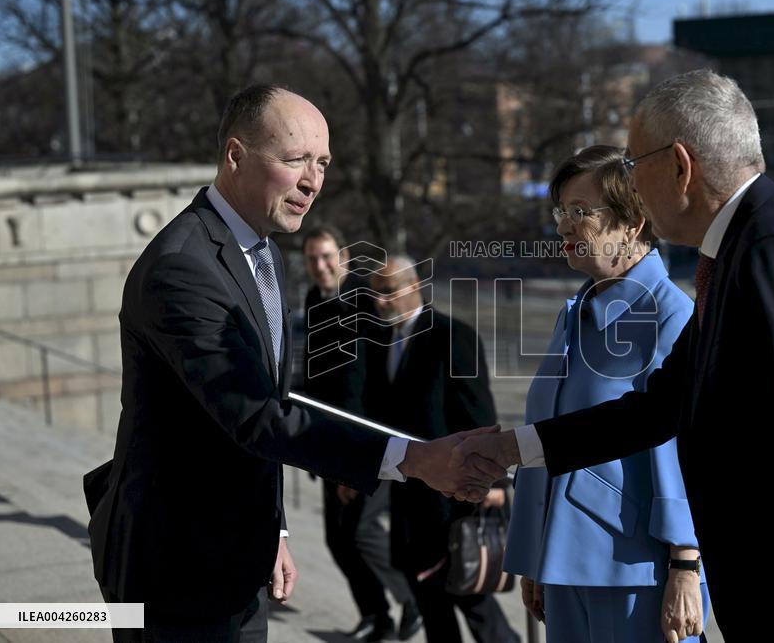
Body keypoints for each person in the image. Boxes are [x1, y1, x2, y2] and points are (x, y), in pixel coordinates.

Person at [450, 69, 774, 641]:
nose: (633, 186)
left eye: (636, 167)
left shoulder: (772, 254)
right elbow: (660, 406)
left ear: (681, 166)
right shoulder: (747, 248)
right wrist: (511, 449)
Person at [82, 84, 503, 642]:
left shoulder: (266, 255)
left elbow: (271, 406)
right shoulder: (180, 269)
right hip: (175, 568)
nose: (313, 180)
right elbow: (258, 414)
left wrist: (274, 528)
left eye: (322, 162)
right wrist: (416, 459)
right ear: (235, 156)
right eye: (295, 159)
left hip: (239, 555)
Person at [504, 145, 708, 643]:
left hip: (638, 569)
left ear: (632, 221)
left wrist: (685, 563)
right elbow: (552, 434)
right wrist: (537, 553)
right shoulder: (575, 312)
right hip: (568, 563)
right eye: (561, 213)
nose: (563, 228)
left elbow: (680, 449)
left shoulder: (671, 314)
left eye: (581, 212)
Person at [363, 256, 520, 643]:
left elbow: (478, 413)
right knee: (431, 604)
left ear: (414, 286)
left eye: (388, 291)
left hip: (455, 500)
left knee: (475, 601)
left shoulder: (453, 336)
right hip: (410, 499)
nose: (380, 301)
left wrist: (494, 481)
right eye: (375, 293)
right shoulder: (383, 342)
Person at [302, 226, 422, 641]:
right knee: (338, 539)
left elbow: (357, 386)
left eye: (328, 257)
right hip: (327, 439)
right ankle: (376, 616)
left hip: (364, 441)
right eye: (313, 259)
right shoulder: (314, 301)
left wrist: (349, 462)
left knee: (359, 531)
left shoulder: (361, 302)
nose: (321, 266)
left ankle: (411, 599)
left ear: (346, 258)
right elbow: (317, 376)